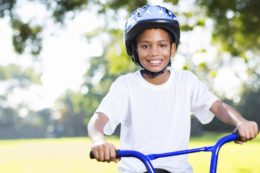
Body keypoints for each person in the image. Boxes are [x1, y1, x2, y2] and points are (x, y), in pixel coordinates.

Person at [87, 5, 259, 173]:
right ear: (134, 50)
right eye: (145, 46)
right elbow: (99, 118)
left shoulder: (187, 82)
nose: (154, 52)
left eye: (162, 45)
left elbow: (218, 106)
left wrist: (241, 122)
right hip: (137, 169)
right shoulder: (125, 86)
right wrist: (98, 139)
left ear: (173, 49)